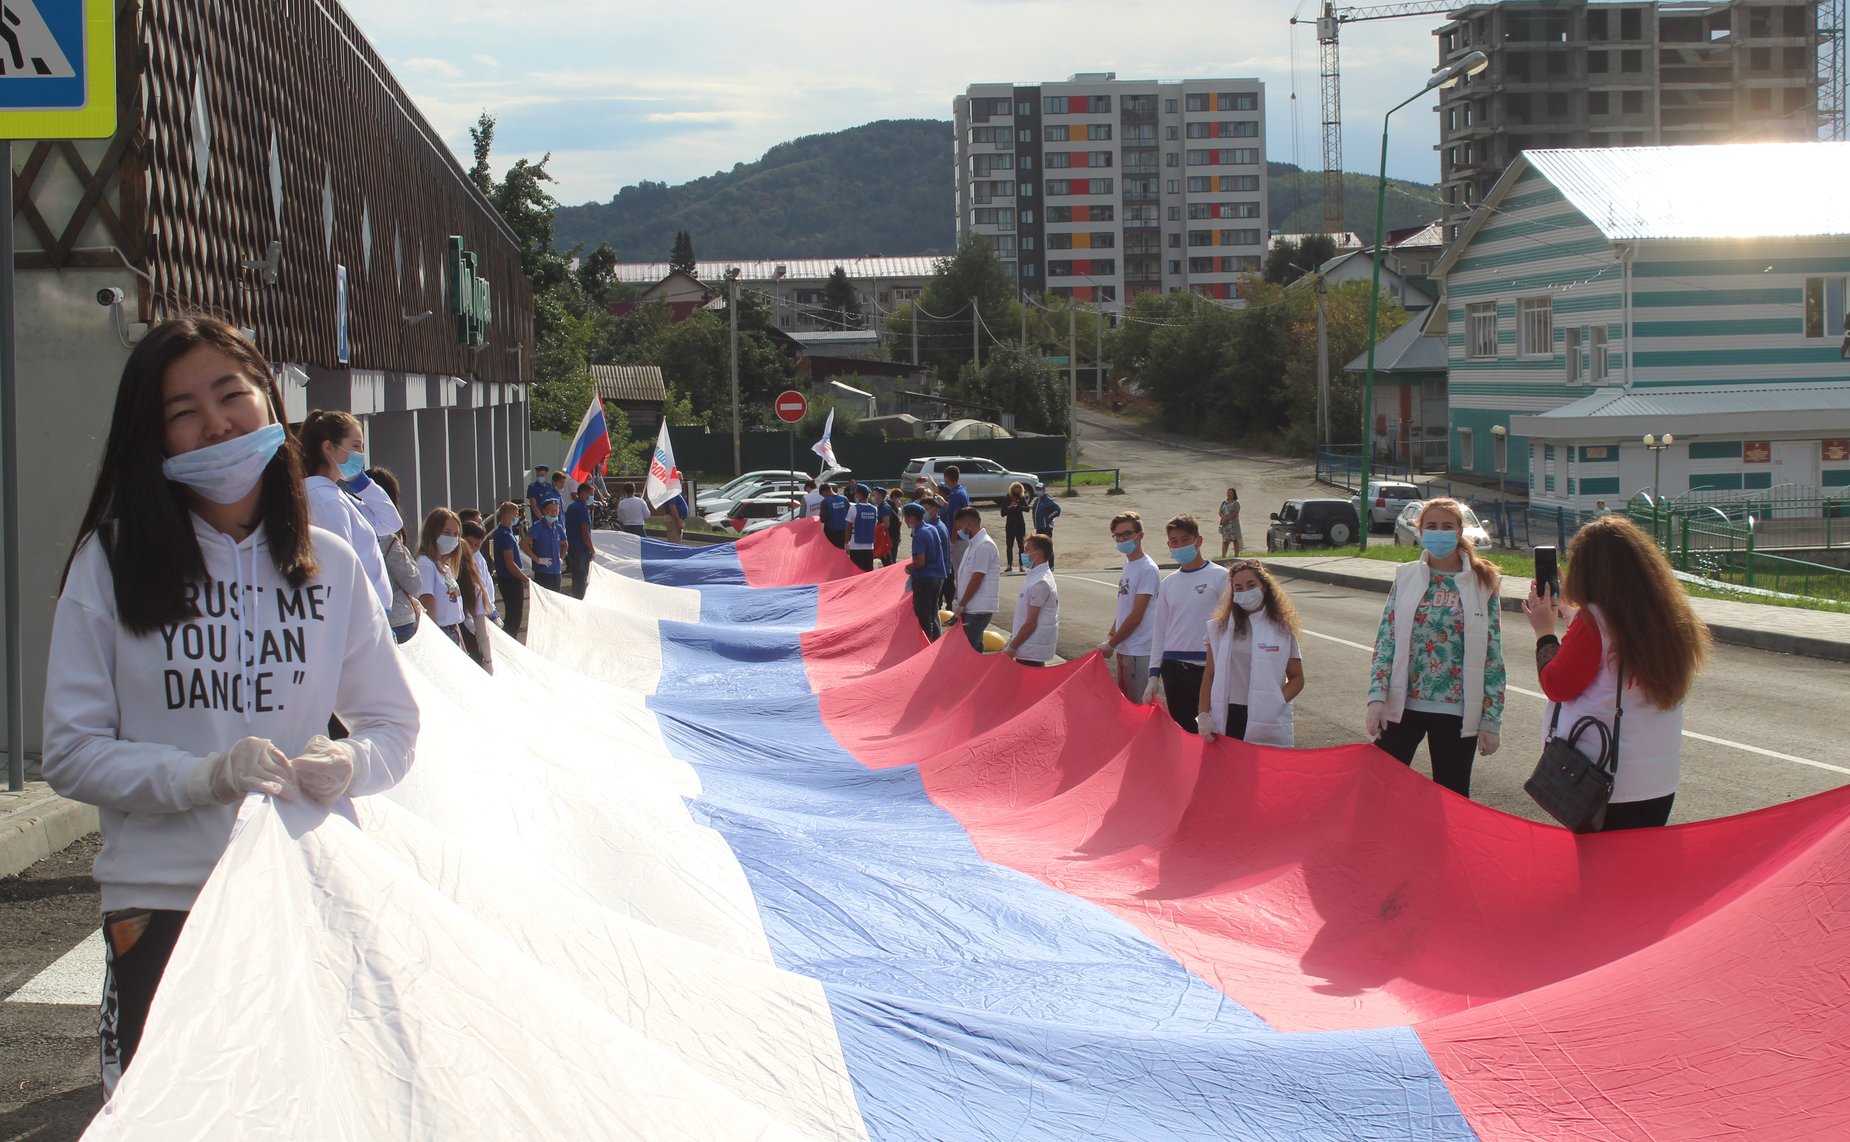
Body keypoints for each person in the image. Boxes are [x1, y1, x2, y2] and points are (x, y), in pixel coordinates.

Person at [42, 316, 417, 1095]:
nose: (215, 423)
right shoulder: (111, 563)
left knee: (309, 1107)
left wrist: (349, 762)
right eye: (183, 411)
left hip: (307, 885)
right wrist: (205, 777)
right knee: (171, 1113)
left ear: (269, 404)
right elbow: (72, 753)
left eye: (230, 395)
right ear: (154, 436)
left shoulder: (329, 564)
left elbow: (395, 726)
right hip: (165, 902)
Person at [1522, 514, 1710, 830]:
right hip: (1659, 782)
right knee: (1643, 860)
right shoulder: (1668, 616)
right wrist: (1570, 612)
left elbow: (1557, 684)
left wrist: (1544, 633)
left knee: (1601, 861)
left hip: (1604, 782)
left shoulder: (1594, 622)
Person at [1366, 497, 1507, 797]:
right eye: (1431, 526)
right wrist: (1376, 697)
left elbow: (1492, 655)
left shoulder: (1482, 583)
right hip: (1403, 707)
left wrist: (1491, 719)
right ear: (1420, 531)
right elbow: (1386, 639)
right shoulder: (1406, 577)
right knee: (1377, 788)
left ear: (1459, 532)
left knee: (1452, 797)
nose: (1439, 532)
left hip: (1456, 713)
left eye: (1447, 526)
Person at [297, 409, 400, 613]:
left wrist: (360, 483)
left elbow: (390, 522)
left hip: (368, 609)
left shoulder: (333, 493)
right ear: (328, 447)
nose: (360, 454)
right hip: (361, 612)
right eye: (355, 446)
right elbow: (340, 565)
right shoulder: (326, 499)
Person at [1199, 561, 1305, 746]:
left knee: (1265, 763)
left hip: (1266, 715)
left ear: (1263, 586)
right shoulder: (1220, 628)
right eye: (1238, 588)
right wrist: (1203, 714)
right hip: (1229, 713)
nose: (1245, 591)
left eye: (1251, 585)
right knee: (1229, 764)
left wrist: (1276, 702)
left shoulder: (1282, 629)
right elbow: (1209, 675)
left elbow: (1297, 678)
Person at [1141, 515, 1231, 732]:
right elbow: (1160, 631)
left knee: (1211, 733)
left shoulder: (1221, 577)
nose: (1180, 545)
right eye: (1174, 541)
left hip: (1207, 670)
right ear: (1168, 544)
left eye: (1185, 539)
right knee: (1181, 732)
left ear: (1199, 540)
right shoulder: (1168, 583)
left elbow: (1230, 626)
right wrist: (1153, 675)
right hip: (1173, 669)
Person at [1099, 511, 1159, 702]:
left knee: (1138, 705)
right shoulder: (1128, 565)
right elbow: (1124, 609)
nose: (1122, 539)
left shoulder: (1147, 569)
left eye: (1127, 534)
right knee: (1126, 703)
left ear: (1140, 535)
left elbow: (1136, 616)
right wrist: (1112, 634)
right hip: (1125, 648)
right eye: (1117, 535)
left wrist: (1112, 644)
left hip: (1139, 651)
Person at [364, 467, 423, 644]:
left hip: (364, 619)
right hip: (397, 620)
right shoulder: (387, 538)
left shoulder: (352, 528)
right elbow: (413, 583)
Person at [416, 508, 473, 648]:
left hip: (453, 631)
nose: (452, 538)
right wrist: (436, 639)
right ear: (432, 532)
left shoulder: (444, 565)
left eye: (456, 534)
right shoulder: (425, 563)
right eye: (446, 533)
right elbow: (426, 600)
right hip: (440, 633)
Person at [1002, 534, 1059, 666]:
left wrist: (1012, 646)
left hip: (1031, 649)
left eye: (1027, 550)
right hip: (1027, 646)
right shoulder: (1035, 576)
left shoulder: (1040, 582)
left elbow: (1031, 623)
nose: (1023, 554)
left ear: (1038, 554)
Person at [952, 507, 1002, 651]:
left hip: (978, 608)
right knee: (974, 647)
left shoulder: (984, 546)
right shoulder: (973, 545)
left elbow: (976, 579)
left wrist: (962, 604)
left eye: (960, 526)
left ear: (968, 524)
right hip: (970, 607)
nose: (958, 531)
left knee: (968, 649)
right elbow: (963, 576)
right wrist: (957, 599)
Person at [902, 502, 949, 640]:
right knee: (933, 612)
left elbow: (921, 561)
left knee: (923, 614)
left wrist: (908, 567)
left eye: (905, 517)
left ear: (911, 518)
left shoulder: (919, 534)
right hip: (938, 577)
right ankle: (934, 640)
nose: (905, 521)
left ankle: (925, 641)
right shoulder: (931, 528)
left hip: (925, 579)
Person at [459, 520, 497, 673]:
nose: (472, 548)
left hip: (472, 627)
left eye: (477, 545)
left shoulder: (476, 560)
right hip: (461, 629)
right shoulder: (446, 565)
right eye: (469, 543)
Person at [491, 501, 528, 639]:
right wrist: (525, 579)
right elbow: (510, 563)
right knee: (513, 617)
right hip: (510, 580)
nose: (517, 517)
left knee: (515, 616)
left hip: (510, 579)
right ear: (508, 514)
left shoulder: (507, 532)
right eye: (515, 514)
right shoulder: (504, 535)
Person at [524, 497, 567, 593]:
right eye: (550, 510)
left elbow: (565, 544)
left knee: (556, 597)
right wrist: (537, 559)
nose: (553, 513)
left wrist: (561, 557)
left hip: (556, 570)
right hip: (542, 571)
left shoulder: (558, 527)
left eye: (556, 510)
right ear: (544, 511)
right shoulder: (537, 526)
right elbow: (524, 545)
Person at [565, 481, 597, 598]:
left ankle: (576, 596)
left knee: (575, 576)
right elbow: (585, 534)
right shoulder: (582, 509)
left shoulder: (571, 507)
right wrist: (592, 550)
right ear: (583, 493)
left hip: (572, 545)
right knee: (581, 576)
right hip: (581, 548)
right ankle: (580, 598)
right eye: (591, 494)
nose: (592, 497)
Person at [846, 485, 880, 572]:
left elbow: (848, 528)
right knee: (868, 571)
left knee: (855, 571)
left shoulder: (853, 508)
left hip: (855, 545)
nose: (854, 495)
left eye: (855, 493)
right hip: (869, 545)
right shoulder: (874, 509)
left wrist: (846, 543)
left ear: (859, 494)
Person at [1000, 481, 1029, 573]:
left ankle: (1022, 565)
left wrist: (1018, 506)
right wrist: (1009, 507)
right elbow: (1002, 513)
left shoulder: (1021, 498)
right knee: (1009, 545)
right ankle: (1009, 565)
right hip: (1010, 525)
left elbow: (1027, 509)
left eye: (1019, 488)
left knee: (1021, 545)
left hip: (1020, 524)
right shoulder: (1007, 498)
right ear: (1012, 489)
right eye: (1016, 488)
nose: (1017, 490)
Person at [820, 482, 851, 548]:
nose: (824, 497)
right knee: (844, 550)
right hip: (845, 530)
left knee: (833, 550)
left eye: (823, 495)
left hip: (832, 532)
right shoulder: (845, 499)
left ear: (824, 492)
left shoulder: (825, 502)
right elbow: (850, 514)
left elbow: (823, 519)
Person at [1032, 481, 1062, 546]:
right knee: (1040, 547)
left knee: (1047, 547)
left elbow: (1057, 510)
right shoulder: (1037, 500)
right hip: (1039, 528)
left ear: (1044, 490)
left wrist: (1049, 517)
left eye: (1040, 489)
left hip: (1046, 528)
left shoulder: (1047, 499)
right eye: (1037, 489)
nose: (1038, 491)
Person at [1217, 486, 1243, 559]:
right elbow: (1220, 512)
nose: (1229, 494)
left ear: (1234, 494)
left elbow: (1235, 513)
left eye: (1230, 492)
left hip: (1233, 524)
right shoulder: (1224, 502)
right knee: (1225, 541)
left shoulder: (1236, 502)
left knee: (1235, 540)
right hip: (1225, 525)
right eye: (1228, 492)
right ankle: (1223, 556)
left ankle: (1236, 556)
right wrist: (1223, 518)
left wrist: (1226, 518)